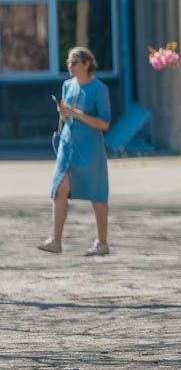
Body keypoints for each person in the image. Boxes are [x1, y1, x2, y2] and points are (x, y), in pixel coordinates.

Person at [40, 46, 112, 256]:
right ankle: (56, 240)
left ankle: (102, 243)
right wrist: (63, 113)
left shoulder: (99, 89)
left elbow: (104, 123)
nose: (69, 66)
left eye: (73, 62)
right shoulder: (67, 85)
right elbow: (65, 117)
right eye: (68, 62)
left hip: (90, 148)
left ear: (86, 64)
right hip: (67, 144)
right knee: (59, 188)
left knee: (96, 193)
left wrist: (77, 114)